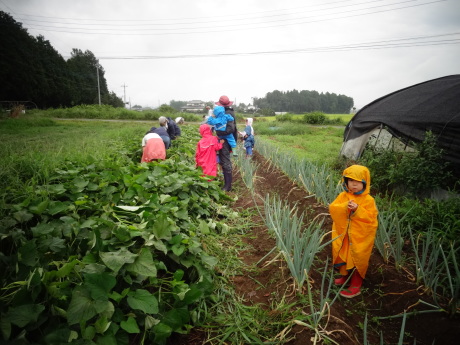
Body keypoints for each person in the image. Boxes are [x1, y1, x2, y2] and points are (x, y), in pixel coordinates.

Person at [329, 164, 378, 298]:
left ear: (365, 183)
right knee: (345, 257)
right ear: (346, 181)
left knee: (357, 259)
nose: (354, 184)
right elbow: (333, 209)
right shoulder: (343, 196)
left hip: (359, 238)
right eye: (351, 181)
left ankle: (356, 285)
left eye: (358, 182)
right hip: (345, 236)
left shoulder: (368, 200)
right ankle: (346, 278)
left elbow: (372, 219)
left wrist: (358, 210)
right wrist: (345, 207)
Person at [206, 95, 235, 191]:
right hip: (222, 139)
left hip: (225, 140)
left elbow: (231, 129)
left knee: (225, 161)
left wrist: (220, 134)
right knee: (223, 160)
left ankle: (228, 186)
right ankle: (227, 183)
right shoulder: (222, 112)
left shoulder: (227, 113)